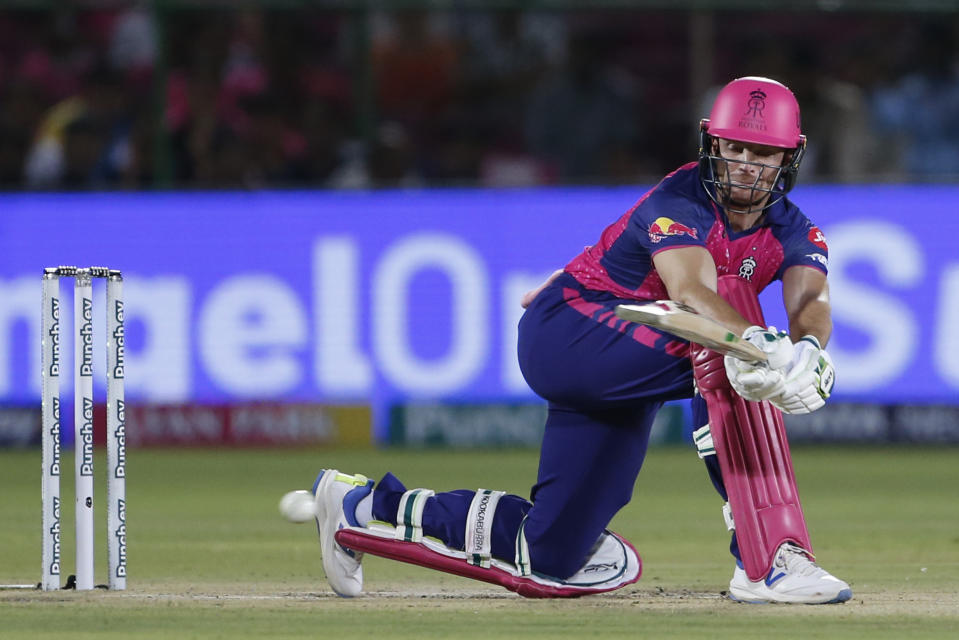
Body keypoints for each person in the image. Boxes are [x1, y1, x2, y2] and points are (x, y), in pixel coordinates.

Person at [288, 76, 851, 604]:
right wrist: (762, 346)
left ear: (789, 157)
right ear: (711, 142)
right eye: (734, 148)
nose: (745, 166)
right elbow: (692, 293)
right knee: (737, 349)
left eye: (763, 154)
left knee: (553, 552)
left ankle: (360, 506)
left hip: (629, 364)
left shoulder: (793, 228)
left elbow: (810, 301)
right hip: (571, 331)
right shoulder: (679, 201)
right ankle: (770, 558)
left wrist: (809, 351)